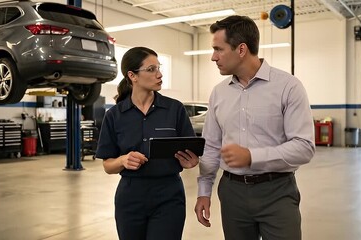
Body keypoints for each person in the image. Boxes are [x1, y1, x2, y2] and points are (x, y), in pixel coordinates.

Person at [194, 15, 316, 240]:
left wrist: (252, 156)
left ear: (241, 49)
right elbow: (211, 146)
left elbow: (304, 147)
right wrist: (204, 192)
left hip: (277, 192)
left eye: (218, 49)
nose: (213, 57)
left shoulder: (288, 87)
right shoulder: (219, 93)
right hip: (232, 193)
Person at [96, 46, 199, 240]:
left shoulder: (174, 109)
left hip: (169, 196)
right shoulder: (114, 116)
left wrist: (191, 162)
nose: (159, 74)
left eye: (159, 68)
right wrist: (123, 160)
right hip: (130, 197)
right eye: (151, 69)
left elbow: (191, 154)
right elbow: (107, 166)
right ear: (132, 76)